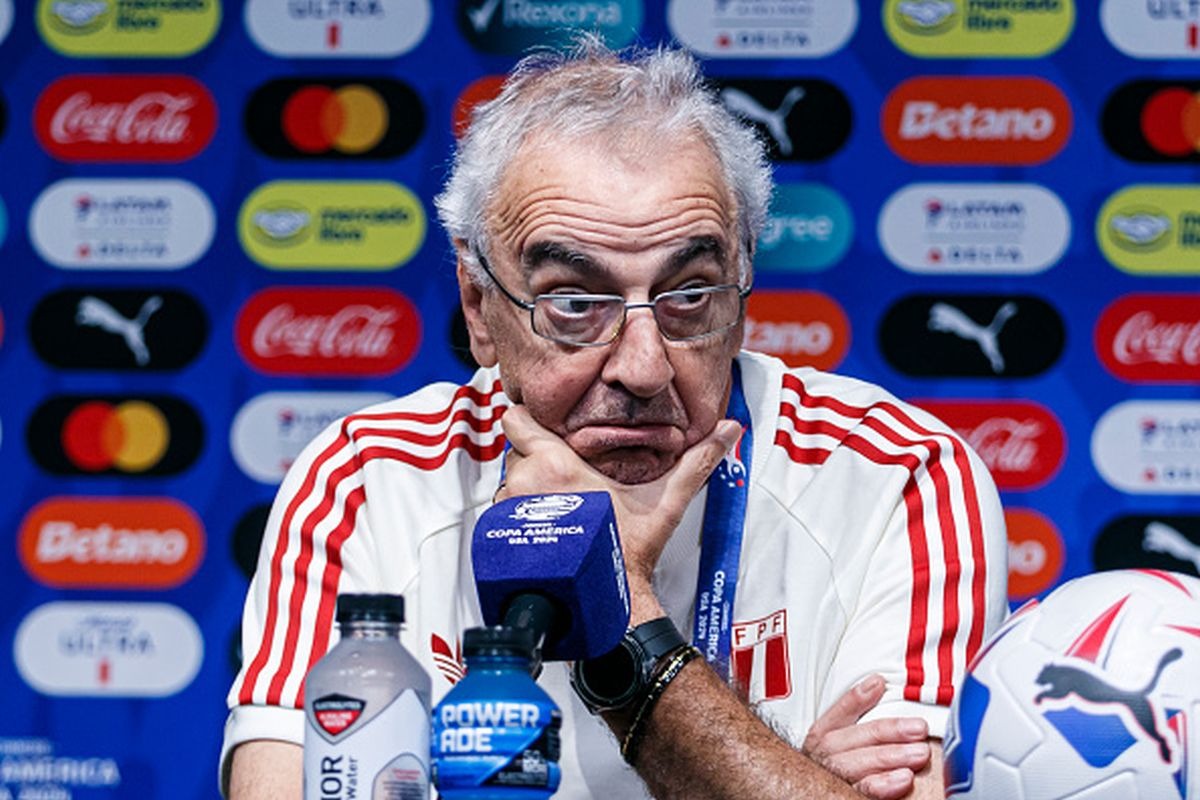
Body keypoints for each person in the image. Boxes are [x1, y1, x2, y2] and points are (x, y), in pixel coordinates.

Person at [222, 39, 1008, 800]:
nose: (643, 366)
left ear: (744, 290)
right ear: (479, 306)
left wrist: (623, 608)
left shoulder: (898, 477)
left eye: (691, 295)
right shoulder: (366, 483)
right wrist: (781, 775)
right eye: (574, 303)